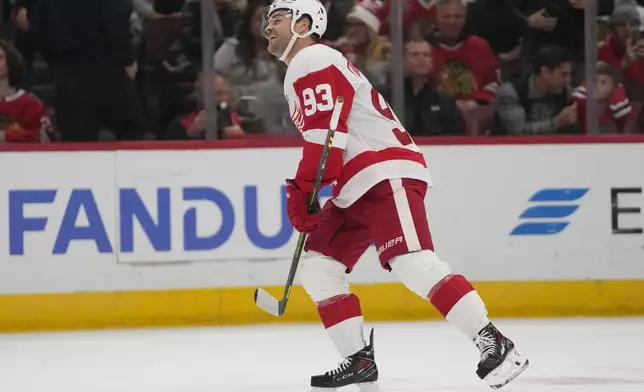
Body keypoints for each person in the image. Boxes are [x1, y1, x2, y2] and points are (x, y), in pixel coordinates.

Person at [261, 0, 529, 390]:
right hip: (356, 184)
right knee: (319, 266)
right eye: (268, 18)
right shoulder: (303, 67)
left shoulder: (313, 57)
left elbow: (326, 138)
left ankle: (495, 343)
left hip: (383, 171)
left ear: (304, 23)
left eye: (278, 17)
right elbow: (331, 138)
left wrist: (304, 190)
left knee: (412, 262)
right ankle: (359, 360)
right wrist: (309, 190)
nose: (268, 25)